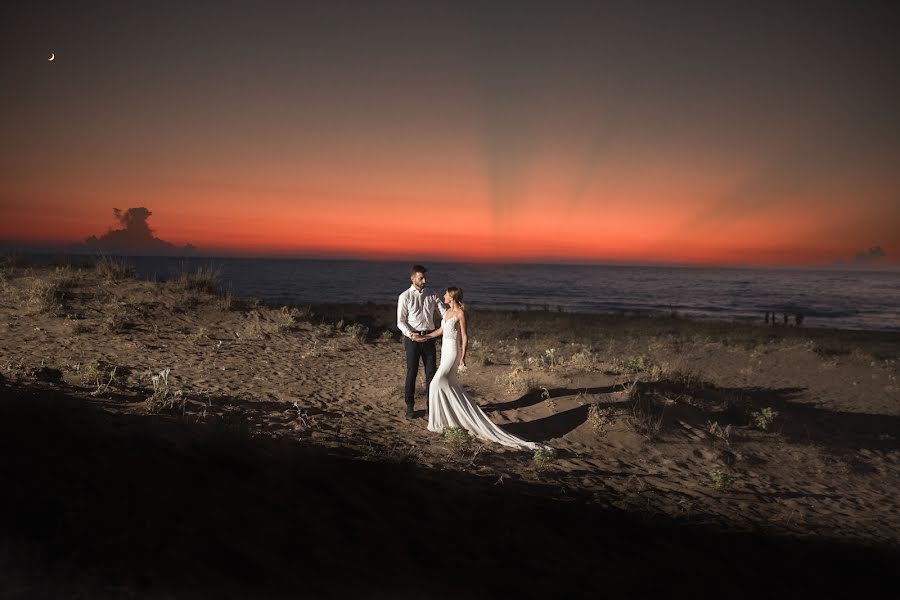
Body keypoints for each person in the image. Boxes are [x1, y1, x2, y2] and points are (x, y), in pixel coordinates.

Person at [417, 287, 545, 451]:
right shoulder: (447, 313)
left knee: (436, 383)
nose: (443, 296)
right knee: (447, 386)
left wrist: (463, 356)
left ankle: (439, 422)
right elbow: (441, 330)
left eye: (446, 294)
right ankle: (447, 421)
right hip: (445, 351)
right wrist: (425, 337)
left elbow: (464, 336)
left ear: (452, 296)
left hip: (453, 353)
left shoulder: (460, 314)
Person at [397, 265, 448, 419]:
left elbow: (444, 314)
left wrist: (454, 315)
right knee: (412, 372)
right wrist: (410, 334)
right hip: (412, 340)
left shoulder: (432, 294)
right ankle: (410, 406)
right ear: (413, 279)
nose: (424, 280)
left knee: (431, 374)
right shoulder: (404, 296)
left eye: (425, 277)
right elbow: (400, 321)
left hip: (429, 338)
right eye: (421, 278)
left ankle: (430, 407)